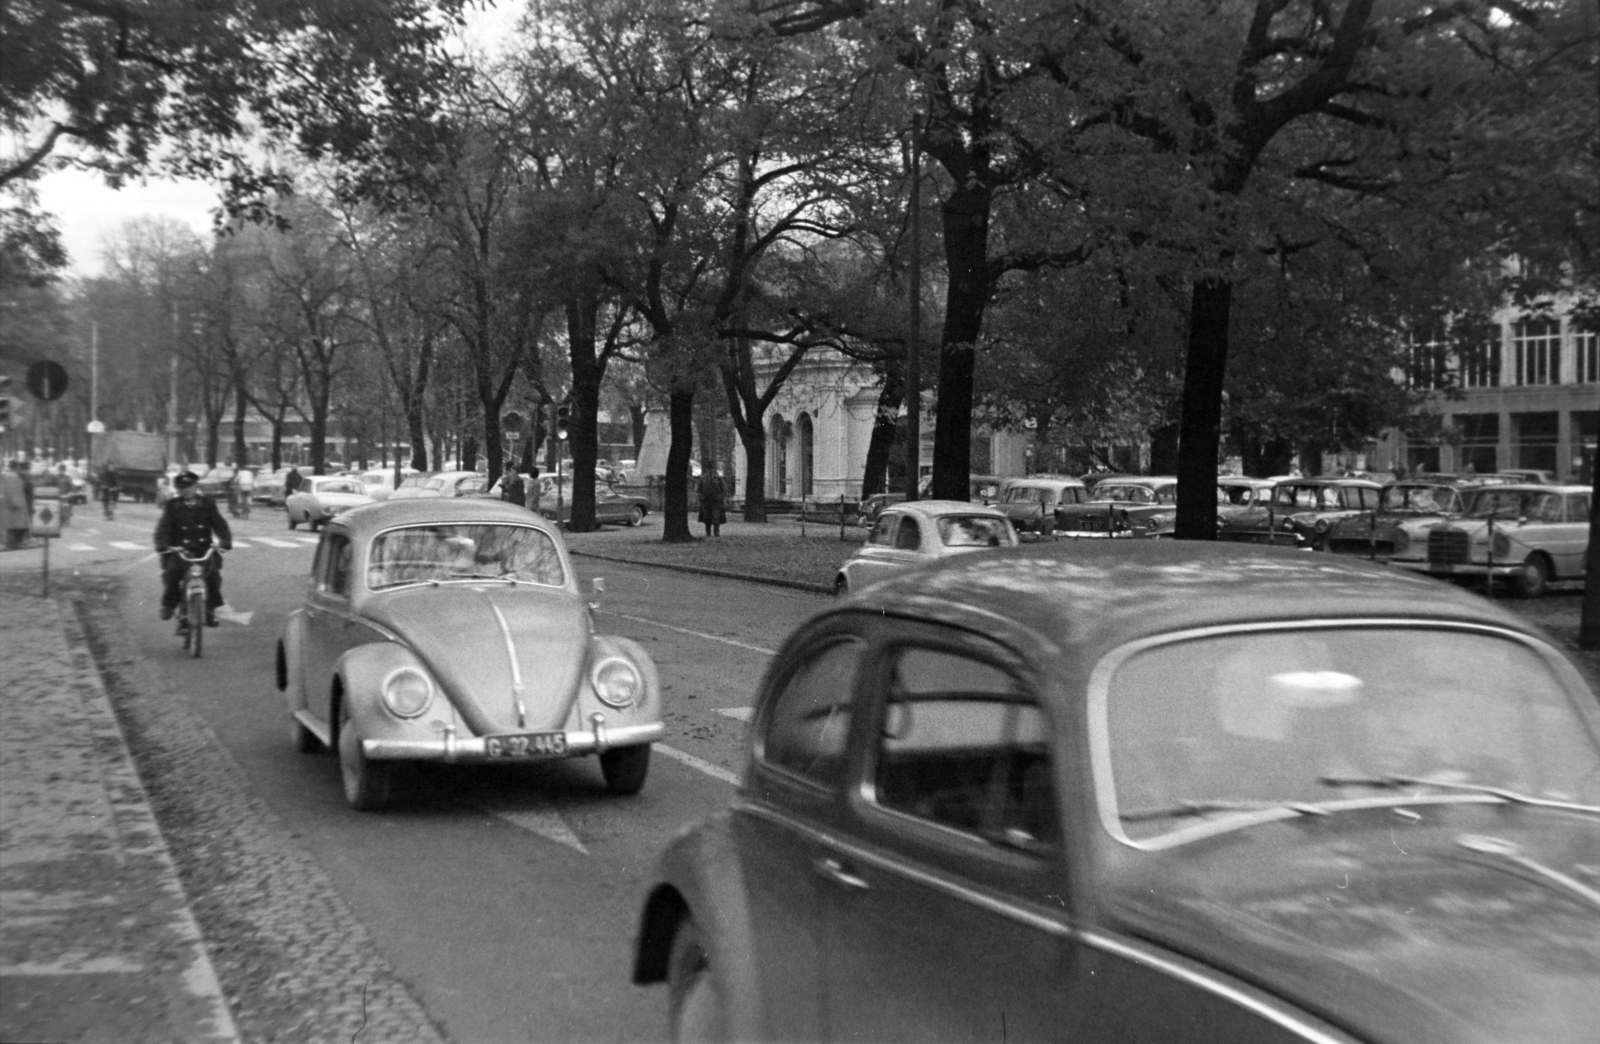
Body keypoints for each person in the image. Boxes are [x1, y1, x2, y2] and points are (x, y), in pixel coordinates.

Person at [154, 471, 232, 626]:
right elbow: (163, 528)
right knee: (172, 575)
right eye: (182, 487)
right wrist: (163, 545)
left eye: (189, 486)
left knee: (213, 577)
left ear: (196, 486)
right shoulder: (172, 506)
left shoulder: (208, 503)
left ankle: (210, 610)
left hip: (203, 550)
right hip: (180, 551)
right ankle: (169, 605)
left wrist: (225, 541)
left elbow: (220, 525)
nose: (186, 490)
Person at [2, 459, 30, 549]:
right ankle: (14, 544)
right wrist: (17, 503)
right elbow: (12, 492)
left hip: (14, 506)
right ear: (16, 467)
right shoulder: (12, 477)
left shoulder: (10, 476)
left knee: (14, 526)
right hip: (16, 507)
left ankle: (14, 543)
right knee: (15, 526)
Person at [697, 464, 727, 538]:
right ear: (707, 469)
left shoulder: (718, 479)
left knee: (716, 517)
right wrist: (701, 497)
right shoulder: (702, 479)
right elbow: (698, 490)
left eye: (712, 468)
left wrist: (720, 498)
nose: (710, 470)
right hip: (706, 501)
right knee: (707, 517)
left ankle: (716, 532)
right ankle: (708, 532)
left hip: (716, 502)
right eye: (709, 468)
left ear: (713, 469)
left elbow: (724, 490)